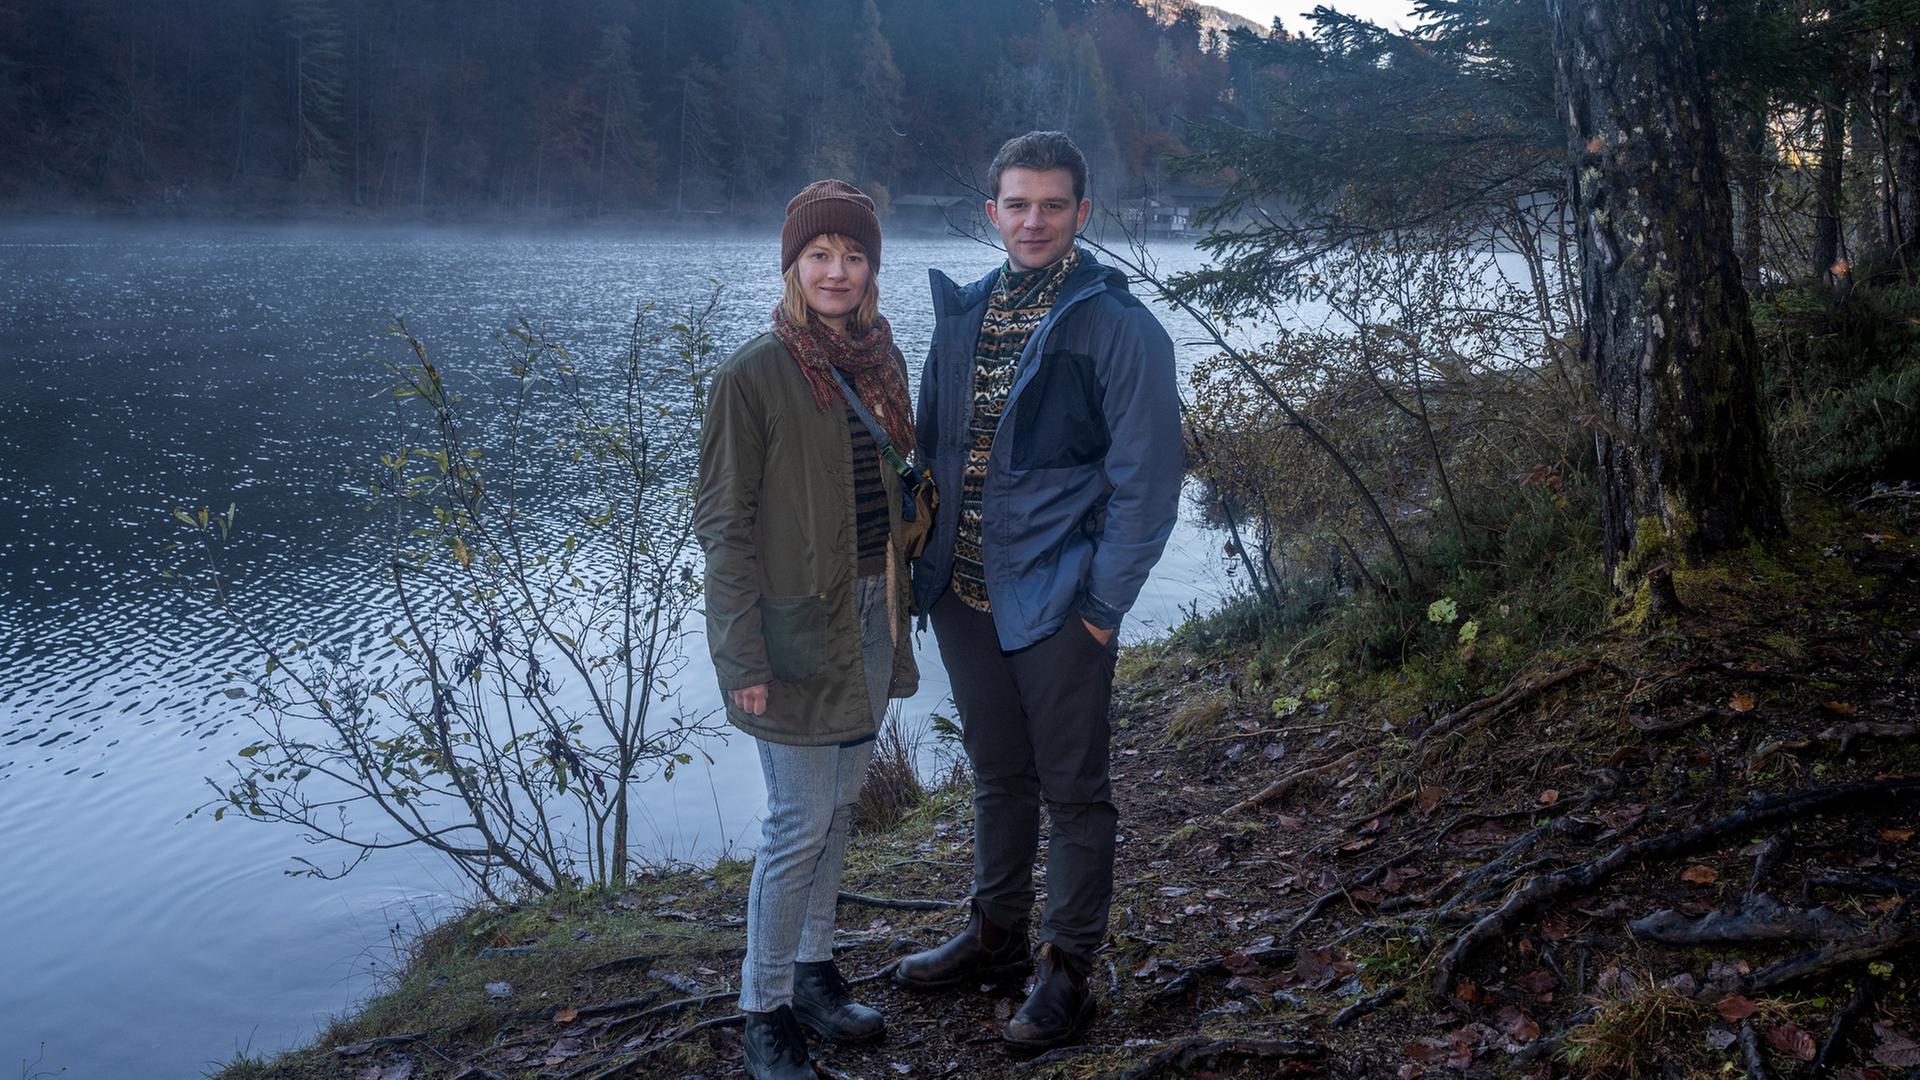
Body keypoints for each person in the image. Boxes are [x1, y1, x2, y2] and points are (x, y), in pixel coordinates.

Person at [894, 131, 1184, 1049]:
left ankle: (1067, 973)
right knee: (997, 774)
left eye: (1053, 204)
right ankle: (995, 935)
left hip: (1060, 604)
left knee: (1075, 790)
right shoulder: (965, 314)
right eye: (1017, 204)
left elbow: (1150, 481)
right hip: (963, 595)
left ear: (1081, 214)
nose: (1034, 220)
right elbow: (933, 452)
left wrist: (1101, 609)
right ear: (993, 213)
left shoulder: (1119, 328)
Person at [694, 179, 919, 1080]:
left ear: (871, 269)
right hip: (791, 632)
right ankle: (764, 1009)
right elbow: (724, 526)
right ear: (793, 265)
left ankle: (815, 970)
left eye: (854, 255)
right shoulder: (752, 375)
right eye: (820, 255)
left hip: (872, 615)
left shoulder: (880, 361)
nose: (837, 270)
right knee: (796, 820)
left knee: (838, 811)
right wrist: (739, 654)